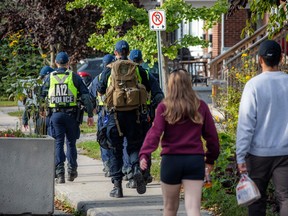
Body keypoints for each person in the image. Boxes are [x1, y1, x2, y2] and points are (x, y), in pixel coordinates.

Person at [139, 68, 220, 216]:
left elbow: (155, 133)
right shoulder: (200, 106)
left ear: (170, 86)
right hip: (194, 161)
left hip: (171, 161)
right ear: (189, 84)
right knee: (193, 208)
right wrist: (210, 159)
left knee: (170, 208)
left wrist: (145, 154)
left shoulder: (164, 107)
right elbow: (212, 137)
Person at [236, 40, 288, 216]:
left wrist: (240, 155)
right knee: (286, 197)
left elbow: (246, 123)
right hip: (285, 153)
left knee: (256, 199)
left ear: (260, 60)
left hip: (258, 154)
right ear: (281, 58)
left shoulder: (253, 85)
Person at [96, 40, 151, 198]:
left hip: (115, 117)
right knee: (133, 147)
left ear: (115, 52)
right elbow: (146, 88)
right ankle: (135, 170)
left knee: (115, 151)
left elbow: (100, 89)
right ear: (129, 51)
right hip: (134, 116)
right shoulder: (137, 68)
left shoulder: (109, 70)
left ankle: (117, 187)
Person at [41, 52, 94, 184]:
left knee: (58, 142)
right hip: (71, 115)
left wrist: (41, 109)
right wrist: (90, 114)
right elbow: (86, 96)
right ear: (68, 63)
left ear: (56, 63)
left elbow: (41, 95)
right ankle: (71, 171)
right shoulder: (74, 77)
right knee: (71, 143)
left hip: (56, 115)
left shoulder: (49, 77)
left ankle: (60, 173)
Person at [124, 49, 164, 188]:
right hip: (145, 115)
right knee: (146, 144)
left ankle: (133, 171)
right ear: (141, 61)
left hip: (128, 115)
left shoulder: (122, 74)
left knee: (131, 145)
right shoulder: (146, 74)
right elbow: (159, 95)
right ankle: (145, 174)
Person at [89, 54, 115, 177]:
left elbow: (90, 96)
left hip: (103, 113)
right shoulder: (119, 76)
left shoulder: (98, 78)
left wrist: (91, 110)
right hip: (116, 112)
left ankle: (107, 165)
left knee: (103, 139)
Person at [22, 65, 54, 135]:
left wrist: (25, 120)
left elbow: (29, 105)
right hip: (46, 117)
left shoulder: (34, 86)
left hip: (40, 117)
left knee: (40, 137)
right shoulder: (50, 85)